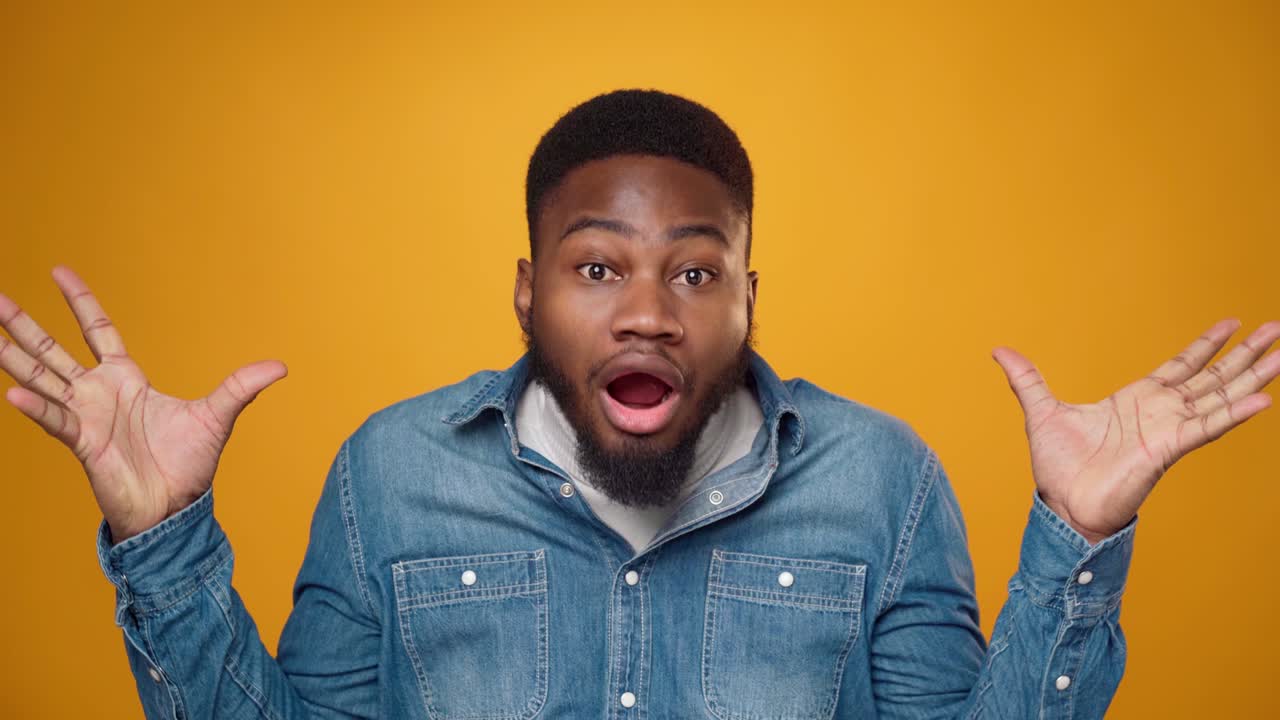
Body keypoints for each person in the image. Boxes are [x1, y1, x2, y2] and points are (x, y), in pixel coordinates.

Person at [2, 89, 1276, 719]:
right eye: (597, 265)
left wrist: (1078, 543)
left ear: (744, 295)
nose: (648, 309)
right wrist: (161, 543)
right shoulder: (390, 474)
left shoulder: (879, 480)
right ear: (527, 291)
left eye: (695, 269)